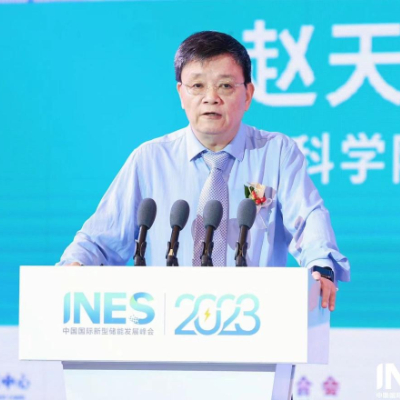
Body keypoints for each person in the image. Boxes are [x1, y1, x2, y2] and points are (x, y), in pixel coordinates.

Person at [58, 31, 350, 311]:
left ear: (248, 94)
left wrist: (321, 266)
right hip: (164, 321)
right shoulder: (149, 160)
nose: (211, 97)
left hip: (255, 320)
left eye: (225, 86)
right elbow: (100, 240)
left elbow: (308, 218)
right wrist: (75, 266)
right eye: (197, 86)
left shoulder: (276, 153)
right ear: (181, 94)